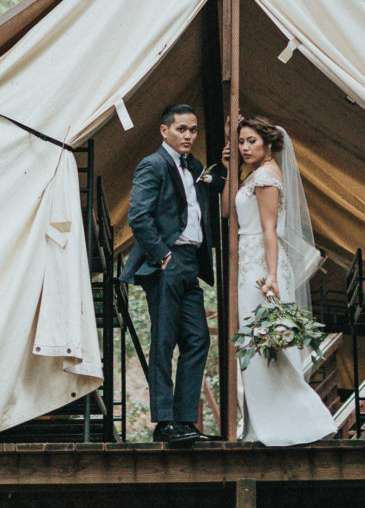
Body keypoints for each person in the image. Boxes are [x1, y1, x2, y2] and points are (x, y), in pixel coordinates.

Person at [222, 116, 335, 445]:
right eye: (241, 141)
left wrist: (271, 276)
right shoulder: (252, 175)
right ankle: (261, 424)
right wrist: (229, 168)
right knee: (254, 345)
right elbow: (228, 213)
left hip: (262, 267)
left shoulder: (267, 176)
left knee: (267, 344)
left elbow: (271, 230)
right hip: (250, 264)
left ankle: (301, 421)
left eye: (251, 141)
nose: (245, 147)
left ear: (268, 144)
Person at [120, 104, 223, 446]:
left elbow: (209, 191)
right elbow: (138, 216)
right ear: (165, 131)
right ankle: (164, 423)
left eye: (192, 130)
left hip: (191, 262)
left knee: (198, 339)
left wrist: (222, 166)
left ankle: (184, 421)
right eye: (181, 129)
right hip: (165, 262)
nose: (188, 135)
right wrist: (162, 254)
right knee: (164, 342)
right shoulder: (152, 164)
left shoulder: (195, 167)